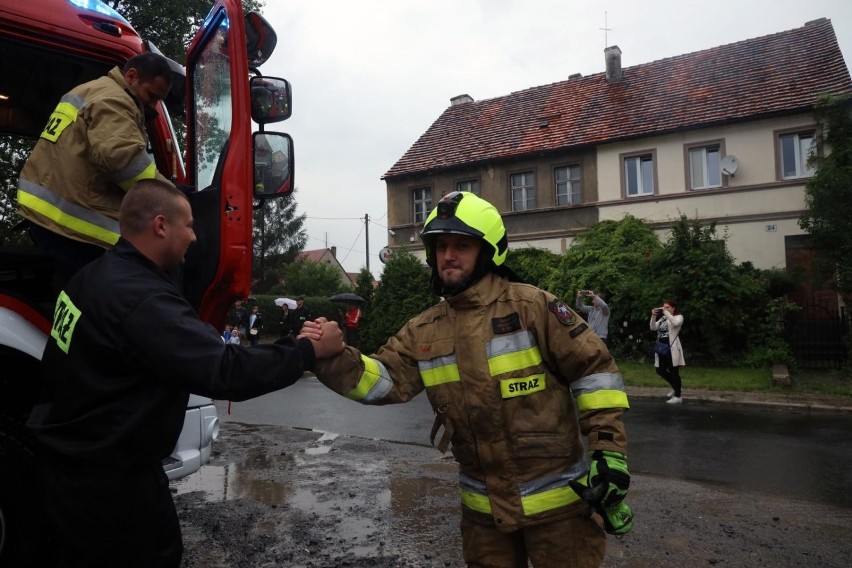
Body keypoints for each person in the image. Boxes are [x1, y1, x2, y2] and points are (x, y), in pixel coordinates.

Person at [26, 178, 343, 568]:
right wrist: (308, 351)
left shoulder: (91, 278)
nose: (195, 237)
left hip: (74, 469)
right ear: (161, 226)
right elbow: (225, 370)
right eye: (190, 225)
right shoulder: (142, 299)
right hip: (110, 488)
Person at [307, 191, 633, 567]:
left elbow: (594, 371)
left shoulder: (532, 308)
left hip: (560, 513)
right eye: (441, 245)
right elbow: (383, 381)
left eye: (461, 245)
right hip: (484, 517)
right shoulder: (424, 330)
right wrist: (332, 356)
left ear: (489, 251)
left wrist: (608, 451)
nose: (448, 256)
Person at [16, 52, 176, 291]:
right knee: (96, 305)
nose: (152, 106)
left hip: (49, 216)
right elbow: (123, 161)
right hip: (72, 226)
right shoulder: (116, 100)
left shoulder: (90, 90)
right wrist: (173, 198)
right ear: (132, 76)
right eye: (151, 96)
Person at [650, 300, 685, 404]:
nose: (665, 309)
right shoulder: (663, 318)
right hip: (662, 347)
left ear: (673, 308)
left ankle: (678, 396)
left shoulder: (679, 317)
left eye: (668, 307)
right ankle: (676, 387)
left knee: (674, 371)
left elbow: (675, 323)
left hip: (672, 348)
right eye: (664, 307)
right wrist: (653, 316)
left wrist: (666, 313)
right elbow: (653, 327)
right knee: (660, 370)